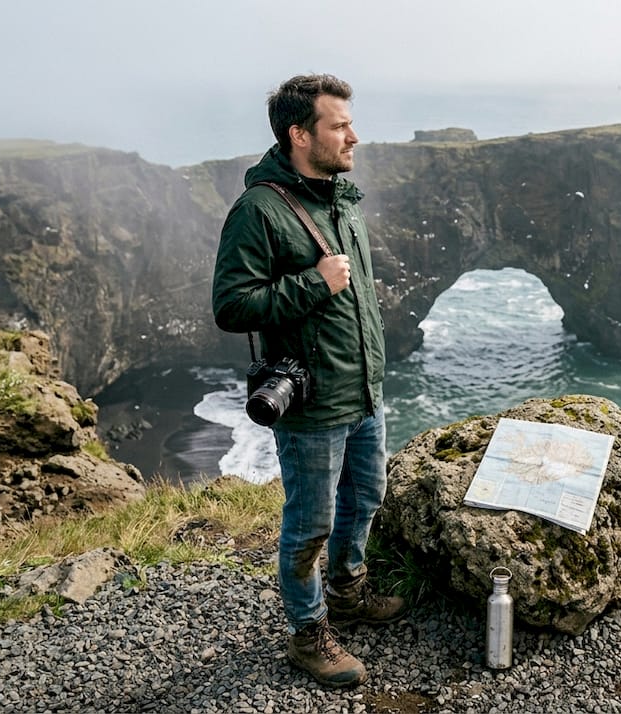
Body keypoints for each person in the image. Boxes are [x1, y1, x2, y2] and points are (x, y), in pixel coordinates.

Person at [211, 73, 405, 689]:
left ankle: (348, 593)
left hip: (363, 390)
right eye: (339, 126)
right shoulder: (258, 211)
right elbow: (231, 306)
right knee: (310, 523)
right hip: (313, 404)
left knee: (366, 497)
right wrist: (315, 283)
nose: (354, 136)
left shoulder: (341, 199)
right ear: (300, 134)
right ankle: (307, 633)